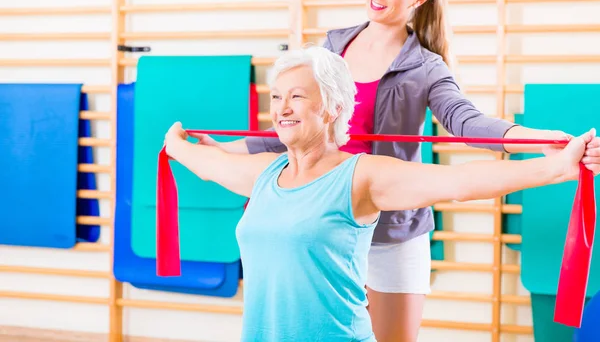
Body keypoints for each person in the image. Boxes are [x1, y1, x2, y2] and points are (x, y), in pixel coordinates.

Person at [190, 0, 600, 340]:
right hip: (326, 225)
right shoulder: (330, 49)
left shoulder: (425, 66)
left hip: (393, 234)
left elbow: (466, 121)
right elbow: (294, 130)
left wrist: (542, 141)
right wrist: (223, 151)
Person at [164, 46, 596, 342]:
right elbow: (208, 165)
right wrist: (178, 145)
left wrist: (557, 166)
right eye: (277, 97)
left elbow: (460, 184)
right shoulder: (265, 173)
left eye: (297, 96)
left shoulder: (361, 178)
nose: (282, 108)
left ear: (331, 108)